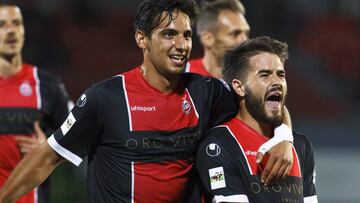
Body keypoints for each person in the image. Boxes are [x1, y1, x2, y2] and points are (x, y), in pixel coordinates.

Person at [0, 1, 293, 202]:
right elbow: (46, 157)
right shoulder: (105, 98)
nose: (181, 45)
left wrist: (284, 138)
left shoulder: (206, 92)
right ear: (142, 39)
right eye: (169, 34)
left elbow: (265, 101)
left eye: (186, 35)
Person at [196, 37, 318, 203]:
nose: (276, 82)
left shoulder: (301, 146)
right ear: (239, 87)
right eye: (265, 75)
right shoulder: (217, 147)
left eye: (281, 75)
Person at [0, 3, 72, 203]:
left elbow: (81, 139)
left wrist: (47, 150)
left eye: (16, 24)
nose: (11, 30)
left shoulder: (47, 85)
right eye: (2, 25)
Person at [186, 0, 250, 79]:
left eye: (246, 33)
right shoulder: (183, 75)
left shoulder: (250, 78)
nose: (245, 40)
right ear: (208, 39)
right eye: (235, 33)